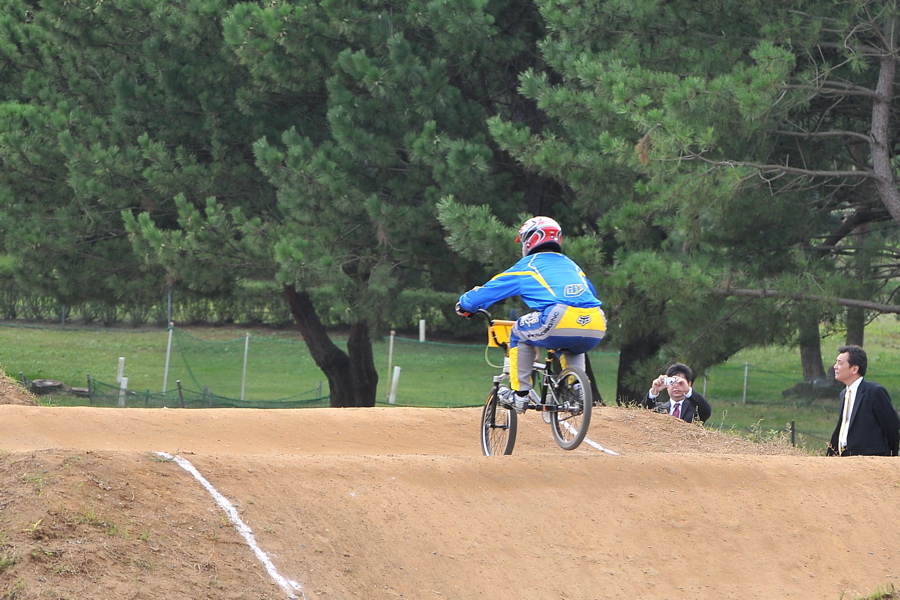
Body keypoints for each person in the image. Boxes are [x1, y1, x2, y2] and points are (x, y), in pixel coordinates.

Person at [455, 216, 607, 414]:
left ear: (530, 240)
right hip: (596, 321)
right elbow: (590, 294)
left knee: (519, 331)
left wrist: (465, 304)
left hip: (560, 317)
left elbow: (489, 290)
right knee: (572, 346)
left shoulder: (529, 265)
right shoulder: (572, 265)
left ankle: (520, 395)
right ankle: (578, 389)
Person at [827, 344, 900, 457]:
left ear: (854, 369)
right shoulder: (844, 394)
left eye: (840, 363)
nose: (835, 367)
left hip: (872, 459)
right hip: (845, 457)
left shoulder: (874, 392)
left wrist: (892, 456)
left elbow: (892, 425)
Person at [642, 363, 711, 424]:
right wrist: (654, 391)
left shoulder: (695, 409)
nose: (676, 386)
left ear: (689, 384)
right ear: (667, 385)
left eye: (680, 383)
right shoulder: (659, 408)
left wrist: (687, 391)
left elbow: (706, 410)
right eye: (672, 382)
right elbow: (643, 412)